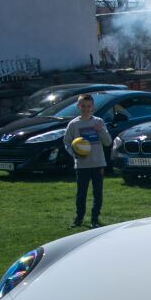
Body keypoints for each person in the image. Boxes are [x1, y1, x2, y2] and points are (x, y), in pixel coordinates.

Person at [63, 94, 113, 228]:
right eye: (83, 106)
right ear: (78, 106)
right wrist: (75, 154)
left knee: (97, 193)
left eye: (89, 106)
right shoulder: (73, 124)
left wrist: (100, 130)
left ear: (93, 107)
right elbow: (67, 143)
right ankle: (78, 219)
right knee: (81, 193)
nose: (86, 109)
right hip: (82, 164)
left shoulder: (99, 122)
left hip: (98, 163)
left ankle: (94, 220)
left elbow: (108, 142)